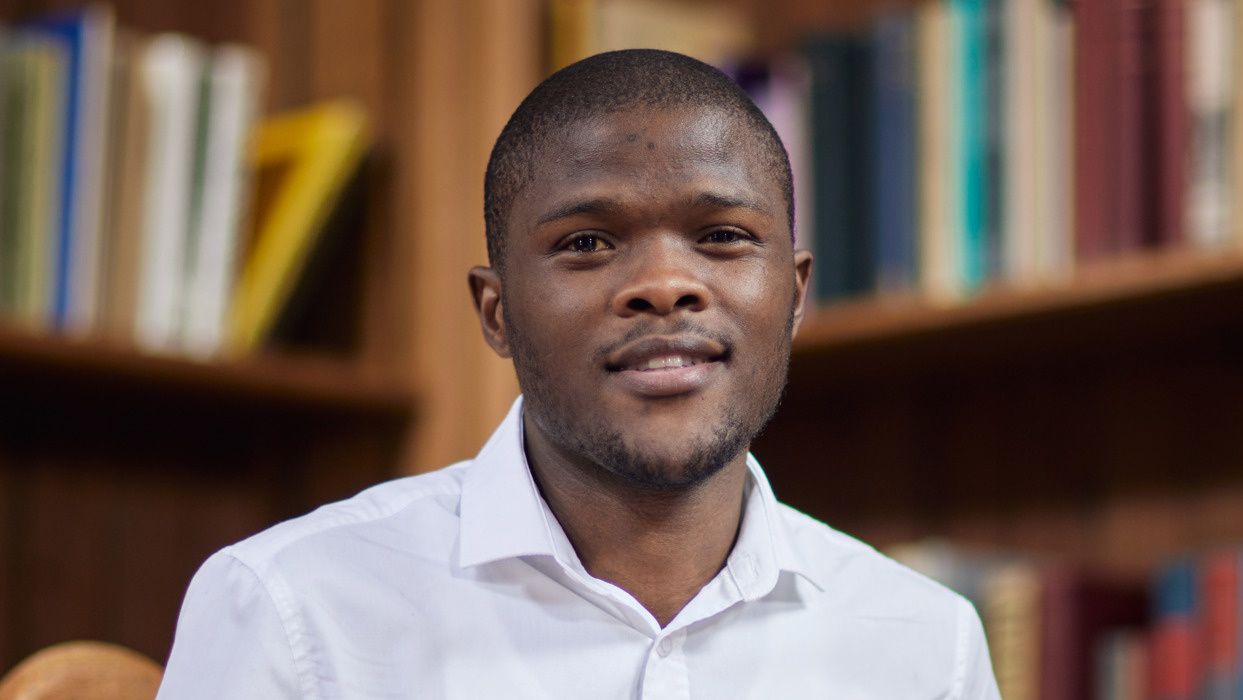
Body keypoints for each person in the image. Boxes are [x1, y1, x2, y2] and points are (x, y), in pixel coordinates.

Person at [155, 49, 1001, 699]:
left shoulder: (924, 644)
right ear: (496, 312)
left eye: (723, 236)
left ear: (794, 293)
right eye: (586, 243)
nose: (666, 284)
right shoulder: (293, 607)